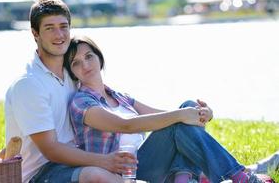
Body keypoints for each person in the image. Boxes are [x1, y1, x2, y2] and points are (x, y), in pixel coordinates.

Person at [63, 35, 273, 183]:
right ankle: (240, 176)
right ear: (72, 73)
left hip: (148, 163)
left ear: (99, 57)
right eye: (76, 63)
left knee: (187, 107)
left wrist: (203, 114)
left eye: (89, 56)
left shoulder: (119, 96)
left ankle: (184, 178)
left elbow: (162, 115)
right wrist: (182, 115)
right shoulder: (81, 102)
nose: (85, 65)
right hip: (125, 174)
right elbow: (126, 125)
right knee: (178, 119)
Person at [5, 0, 135, 183]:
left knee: (176, 129)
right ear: (35, 33)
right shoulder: (29, 84)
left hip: (78, 162)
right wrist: (104, 161)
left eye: (63, 26)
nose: (59, 35)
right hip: (41, 174)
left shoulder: (72, 72)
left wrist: (182, 114)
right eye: (50, 28)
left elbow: (112, 101)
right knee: (96, 175)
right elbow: (51, 150)